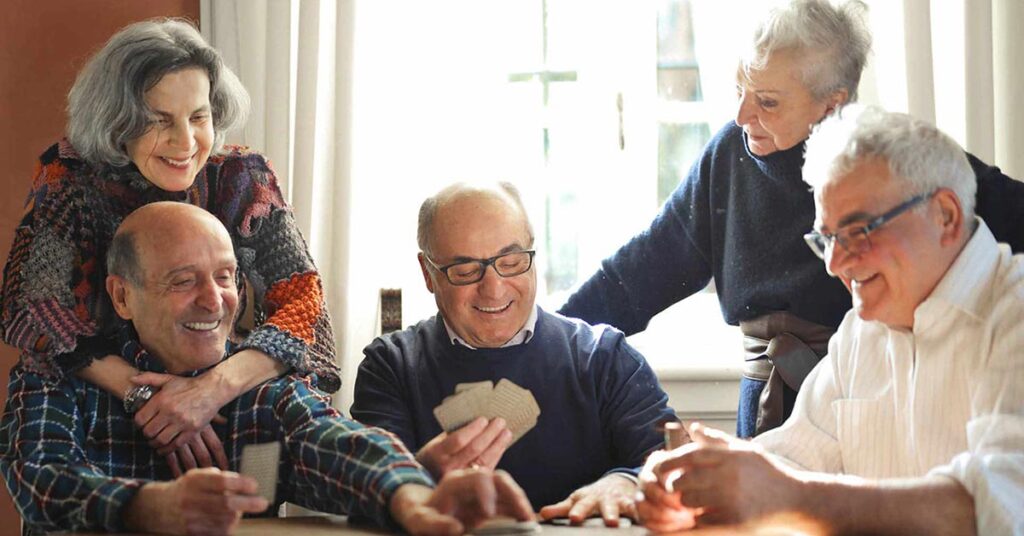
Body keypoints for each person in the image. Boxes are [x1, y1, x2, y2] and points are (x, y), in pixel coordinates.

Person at [558, 0, 1024, 438]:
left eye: (768, 101)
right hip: (763, 398)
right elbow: (640, 272)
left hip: (867, 399)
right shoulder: (727, 155)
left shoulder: (886, 159)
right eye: (739, 90)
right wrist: (547, 342)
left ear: (832, 103)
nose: (742, 115)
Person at [0, 202, 535, 535]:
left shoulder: (261, 390)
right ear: (121, 297)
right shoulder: (56, 379)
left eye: (227, 276)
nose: (214, 302)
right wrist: (151, 509)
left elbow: (331, 443)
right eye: (183, 281)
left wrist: (413, 494)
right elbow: (42, 481)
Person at [637, 106, 1024, 535]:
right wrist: (699, 485)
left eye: (859, 231)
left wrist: (784, 494)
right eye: (827, 238)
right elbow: (792, 460)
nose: (835, 263)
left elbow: (1003, 505)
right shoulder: (861, 331)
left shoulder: (1015, 313)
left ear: (946, 216)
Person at [0, 19, 338, 474]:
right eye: (159, 122)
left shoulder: (241, 177)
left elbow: (303, 304)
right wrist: (151, 397)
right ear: (117, 121)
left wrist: (208, 391)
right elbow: (28, 307)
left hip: (227, 401)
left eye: (199, 117)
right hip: (100, 404)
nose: (186, 142)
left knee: (249, 500)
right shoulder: (71, 179)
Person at [350, 182, 679, 526]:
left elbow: (673, 462)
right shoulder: (391, 366)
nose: (493, 288)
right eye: (465, 271)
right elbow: (360, 499)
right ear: (428, 273)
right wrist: (415, 477)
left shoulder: (604, 358)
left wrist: (626, 481)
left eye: (511, 262)